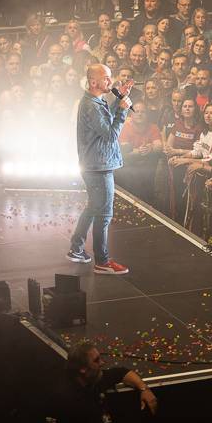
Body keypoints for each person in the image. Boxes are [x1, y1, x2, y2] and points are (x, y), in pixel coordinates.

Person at [68, 63, 132, 274]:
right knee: (104, 213)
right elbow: (110, 135)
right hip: (98, 166)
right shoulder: (92, 105)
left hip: (94, 163)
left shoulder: (95, 101)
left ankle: (77, 247)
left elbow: (105, 121)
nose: (110, 81)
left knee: (94, 207)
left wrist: (118, 100)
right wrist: (123, 112)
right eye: (106, 78)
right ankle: (102, 262)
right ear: (93, 82)